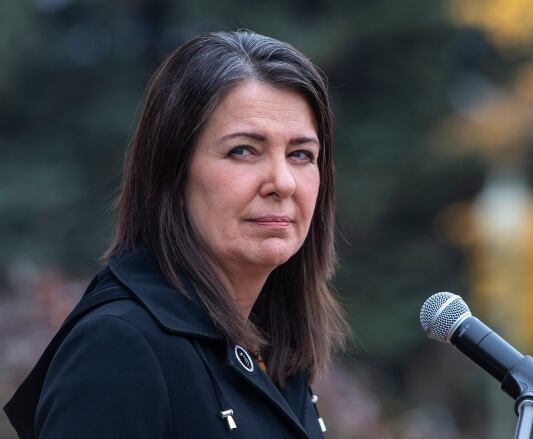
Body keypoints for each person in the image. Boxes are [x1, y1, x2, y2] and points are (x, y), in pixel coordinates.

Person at [4, 30, 348, 439]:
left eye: (301, 155)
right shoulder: (119, 348)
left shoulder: (274, 349)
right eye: (243, 151)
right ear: (172, 172)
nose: (283, 182)